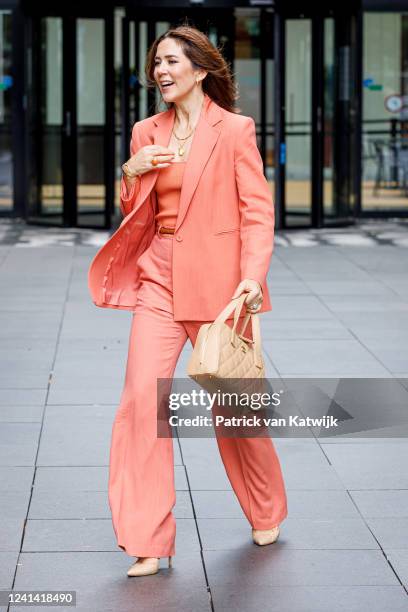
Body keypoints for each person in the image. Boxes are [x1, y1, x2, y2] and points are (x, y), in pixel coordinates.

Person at [88, 24, 287, 578]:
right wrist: (130, 174)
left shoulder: (235, 130)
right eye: (157, 63)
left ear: (200, 69)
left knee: (235, 406)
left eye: (172, 61)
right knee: (139, 403)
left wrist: (252, 277)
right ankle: (147, 539)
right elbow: (139, 212)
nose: (162, 71)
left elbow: (257, 211)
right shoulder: (145, 131)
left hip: (222, 286)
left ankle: (266, 507)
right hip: (159, 276)